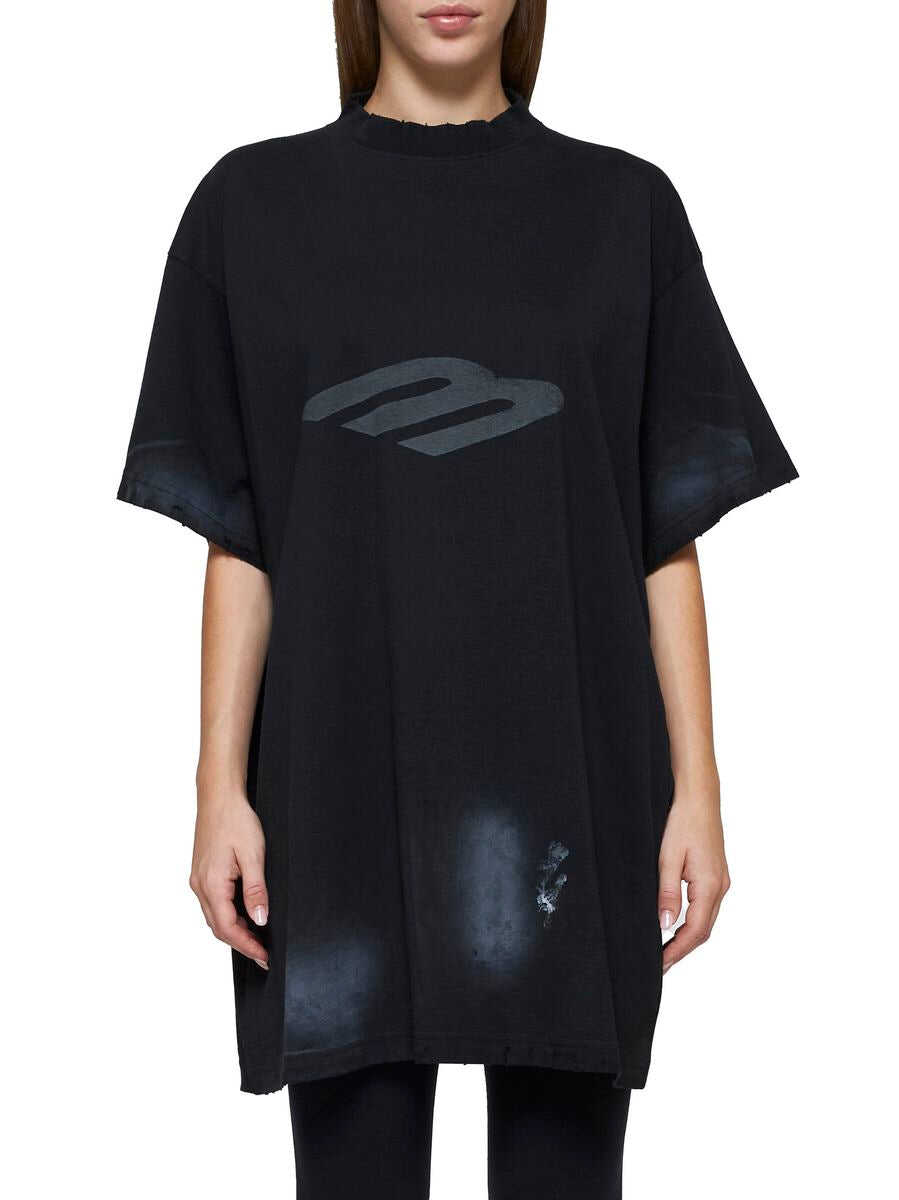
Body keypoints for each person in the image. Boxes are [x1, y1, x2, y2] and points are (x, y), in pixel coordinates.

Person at [117, 2, 797, 1196]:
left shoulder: (622, 210)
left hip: (569, 796)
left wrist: (698, 792)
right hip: (335, 792)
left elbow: (662, 528)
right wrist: (216, 787)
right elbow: (241, 533)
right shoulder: (250, 208)